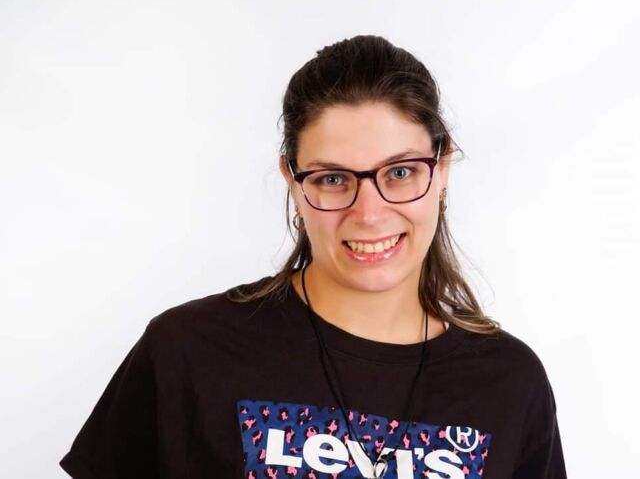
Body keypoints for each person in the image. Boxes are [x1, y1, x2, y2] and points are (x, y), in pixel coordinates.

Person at [59, 35, 567, 478]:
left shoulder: (509, 384)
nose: (369, 213)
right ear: (293, 181)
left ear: (442, 165)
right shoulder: (186, 352)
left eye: (399, 172)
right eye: (332, 178)